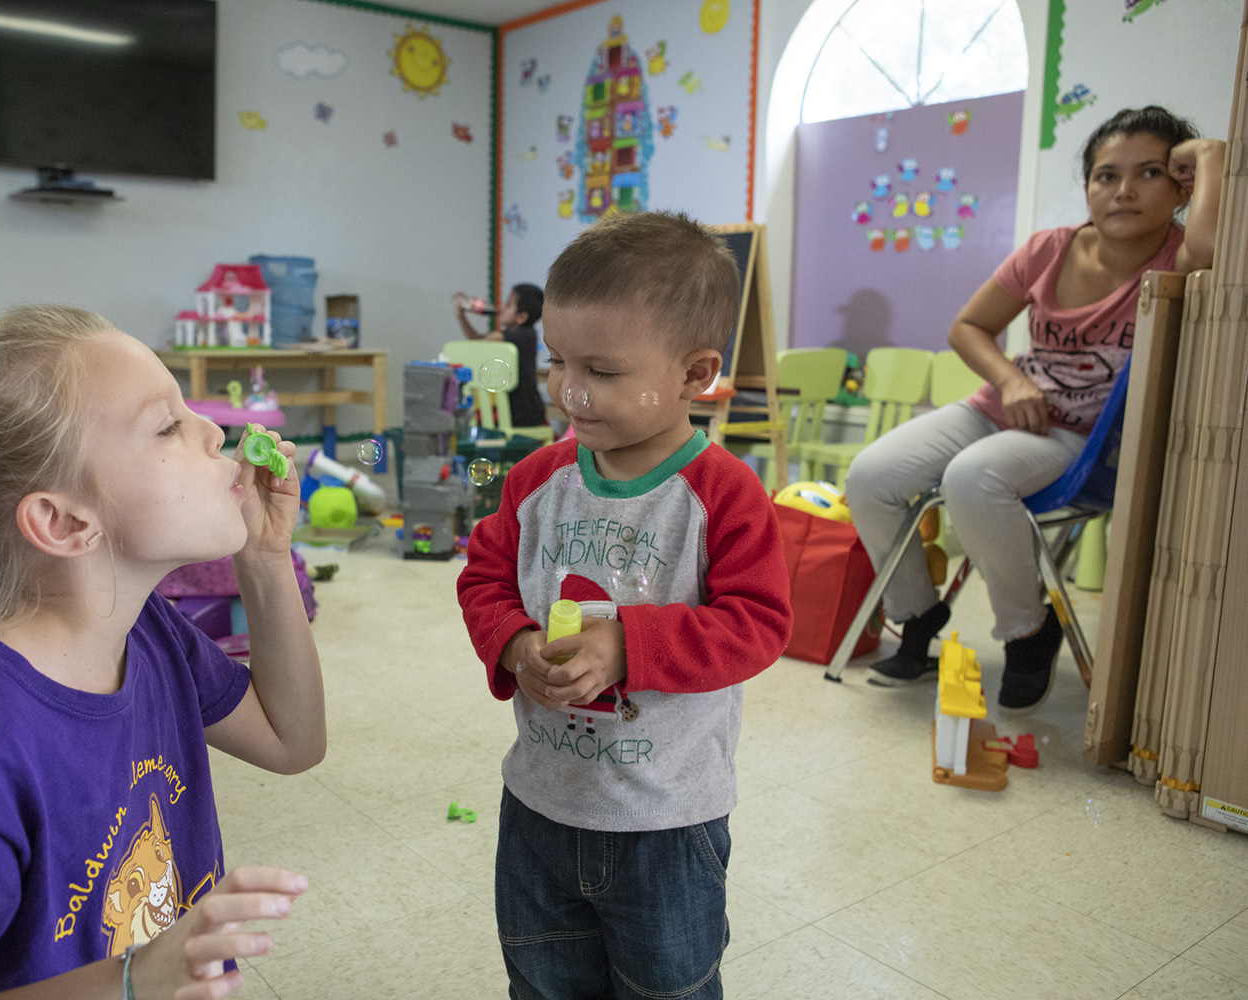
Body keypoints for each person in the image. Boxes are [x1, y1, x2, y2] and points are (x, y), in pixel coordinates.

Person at [0, 306, 326, 999]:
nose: (215, 432)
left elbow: (292, 742)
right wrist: (133, 980)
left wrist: (264, 557)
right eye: (168, 424)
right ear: (62, 521)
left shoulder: (144, 630)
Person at [456, 212, 793, 1000]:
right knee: (543, 982)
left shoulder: (724, 495)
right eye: (557, 361)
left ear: (694, 372)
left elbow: (759, 624)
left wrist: (627, 647)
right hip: (540, 805)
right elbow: (483, 579)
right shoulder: (535, 479)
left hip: (667, 824)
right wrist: (511, 644)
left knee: (667, 988)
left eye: (602, 371)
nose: (569, 390)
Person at [847, 106, 1225, 709]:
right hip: (1001, 409)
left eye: (1149, 173)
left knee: (972, 478)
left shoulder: (1175, 258)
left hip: (1081, 440)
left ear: (1181, 187)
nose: (1123, 190)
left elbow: (1210, 258)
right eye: (1106, 175)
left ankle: (1028, 630)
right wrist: (1011, 380)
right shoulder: (1048, 250)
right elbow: (969, 327)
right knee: (870, 475)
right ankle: (916, 617)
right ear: (1086, 187)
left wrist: (1212, 159)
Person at [453, 283, 549, 427]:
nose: (502, 306)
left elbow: (480, 342)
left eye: (509, 304)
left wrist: (474, 307)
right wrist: (462, 317)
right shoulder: (517, 335)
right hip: (513, 410)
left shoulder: (524, 335)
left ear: (521, 317)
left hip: (524, 413)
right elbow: (477, 339)